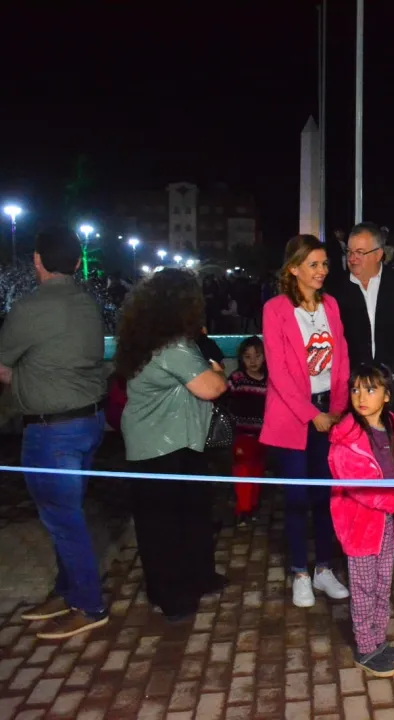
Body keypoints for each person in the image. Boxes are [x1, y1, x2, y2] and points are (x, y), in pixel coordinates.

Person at [0, 230, 108, 639]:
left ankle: (89, 603)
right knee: (68, 513)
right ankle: (68, 591)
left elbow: (2, 366)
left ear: (38, 261)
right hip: (88, 424)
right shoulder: (87, 303)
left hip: (52, 430)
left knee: (64, 520)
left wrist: (26, 379)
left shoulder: (31, 307)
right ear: (78, 263)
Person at [116, 269, 228, 621]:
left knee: (189, 515)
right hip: (161, 446)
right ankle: (172, 596)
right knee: (164, 525)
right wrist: (219, 371)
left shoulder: (146, 339)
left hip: (172, 441)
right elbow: (211, 386)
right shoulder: (172, 347)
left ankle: (196, 578)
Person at [262, 234, 351, 607]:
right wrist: (311, 414)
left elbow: (342, 358)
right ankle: (300, 570)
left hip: (328, 414)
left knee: (326, 496)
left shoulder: (331, 304)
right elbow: (279, 372)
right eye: (313, 264)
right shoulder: (276, 309)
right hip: (293, 418)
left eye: (325, 263)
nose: (322, 270)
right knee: (297, 497)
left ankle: (324, 569)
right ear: (293, 268)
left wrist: (338, 410)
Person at [332, 222, 394, 558]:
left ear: (379, 255)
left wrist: (390, 374)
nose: (352, 259)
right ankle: (357, 537)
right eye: (349, 252)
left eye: (360, 252)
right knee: (358, 465)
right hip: (354, 394)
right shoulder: (334, 291)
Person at [328, 365, 394, 677]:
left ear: (386, 395)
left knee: (383, 583)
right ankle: (366, 648)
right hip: (360, 525)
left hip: (387, 523)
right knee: (364, 586)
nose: (361, 397)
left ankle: (378, 640)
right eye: (355, 389)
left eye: (370, 389)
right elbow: (361, 489)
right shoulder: (346, 436)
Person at [229, 336, 268, 526]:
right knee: (243, 471)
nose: (253, 362)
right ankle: (243, 510)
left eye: (257, 356)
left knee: (257, 471)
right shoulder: (237, 379)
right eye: (248, 357)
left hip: (263, 436)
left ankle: (252, 507)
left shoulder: (269, 381)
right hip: (242, 435)